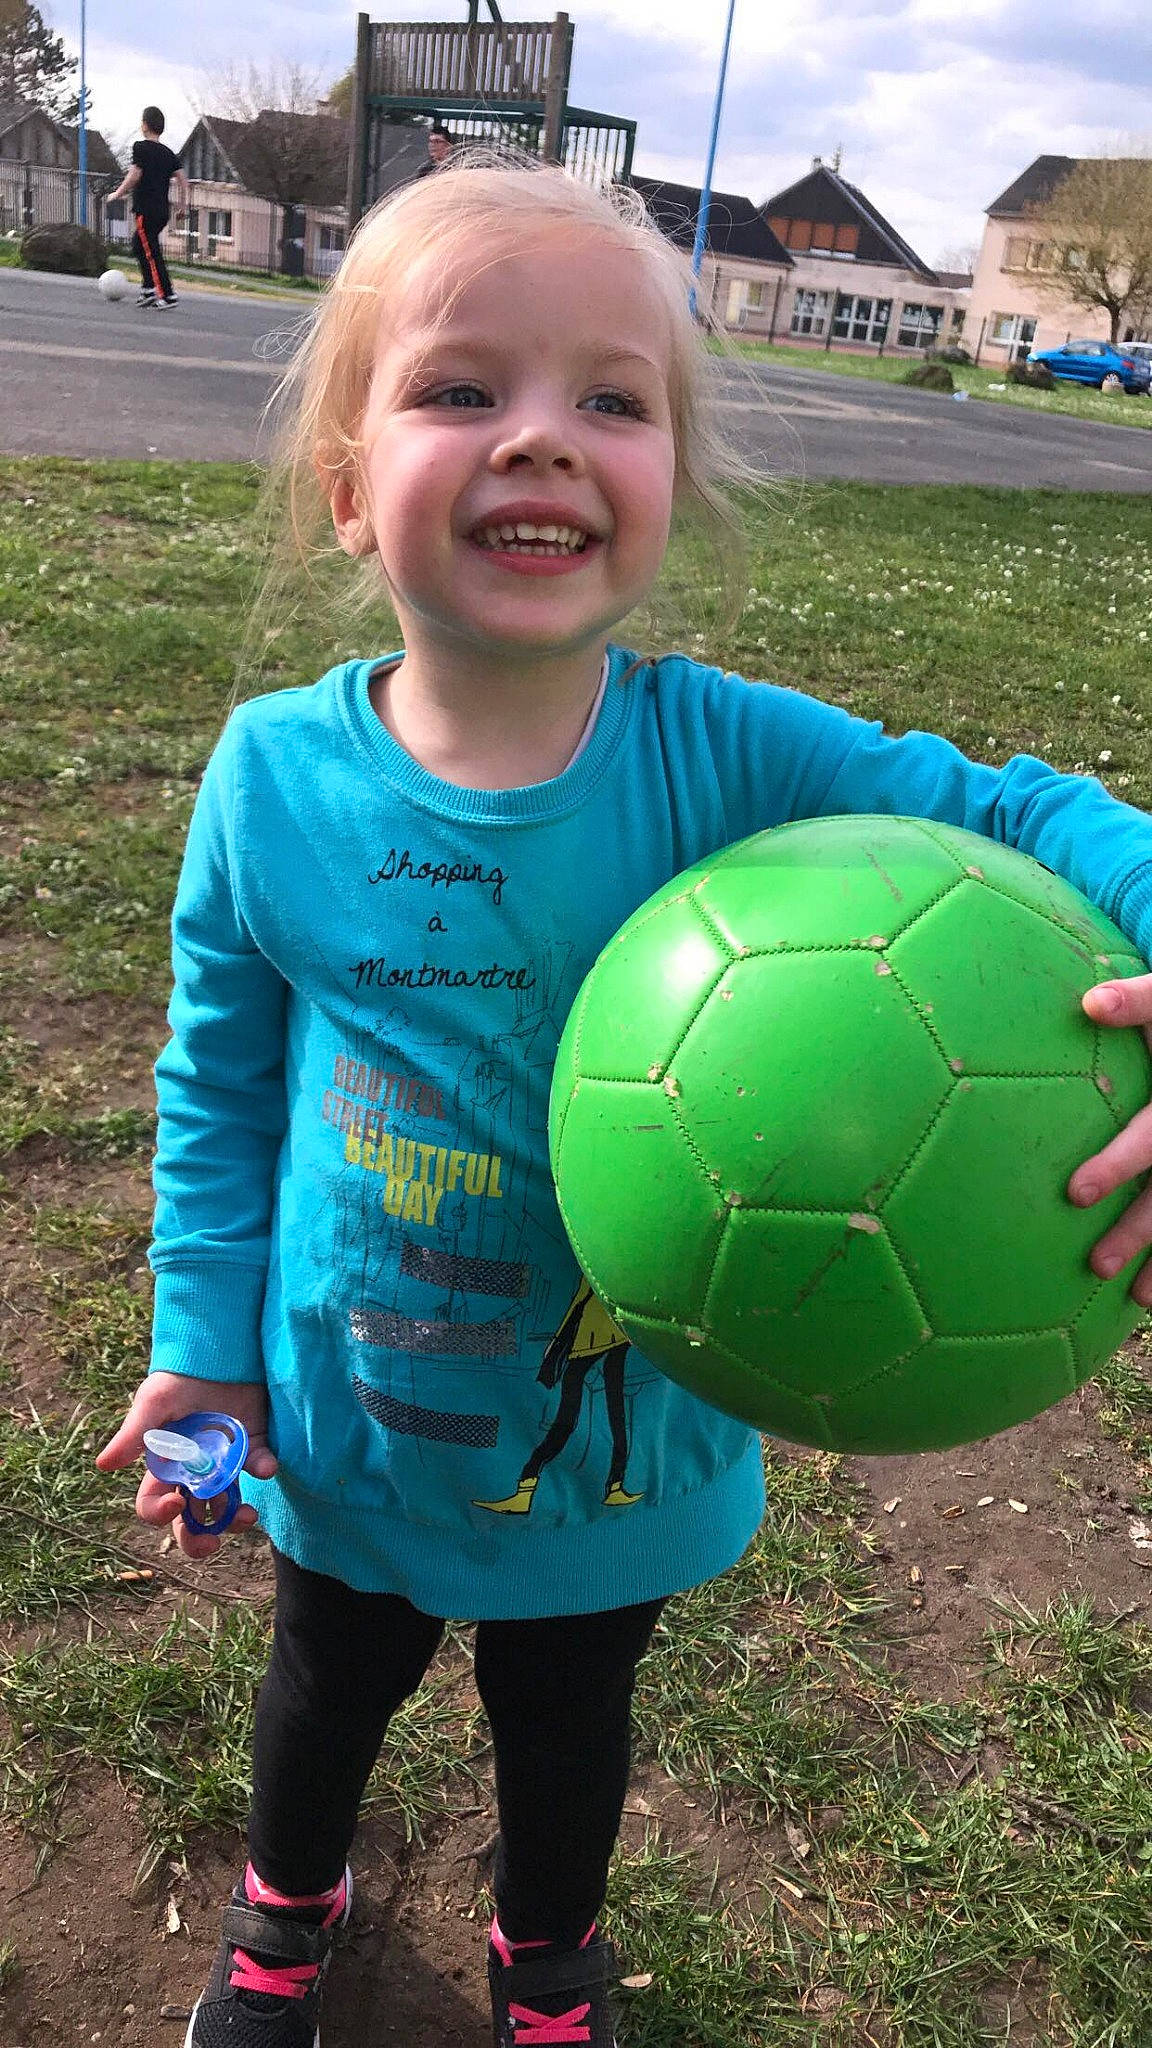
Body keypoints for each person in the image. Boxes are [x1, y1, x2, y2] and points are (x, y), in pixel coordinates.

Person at [97, 160, 1152, 2048]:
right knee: (325, 1685)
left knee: (569, 1718)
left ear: (669, 474)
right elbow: (218, 1079)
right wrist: (204, 1344)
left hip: (613, 1453)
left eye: (611, 398)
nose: (540, 440)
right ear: (348, 483)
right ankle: (282, 1915)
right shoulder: (272, 777)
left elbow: (1013, 810)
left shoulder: (728, 752)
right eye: (457, 389)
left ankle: (546, 1950)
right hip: (351, 1414)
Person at [107, 105, 188, 309]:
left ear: (144, 125)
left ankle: (167, 294)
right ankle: (148, 290)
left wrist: (118, 193)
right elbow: (183, 181)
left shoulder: (140, 148)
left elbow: (135, 174)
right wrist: (182, 206)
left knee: (151, 252)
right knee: (139, 245)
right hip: (162, 211)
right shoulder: (169, 153)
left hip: (146, 209)